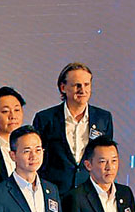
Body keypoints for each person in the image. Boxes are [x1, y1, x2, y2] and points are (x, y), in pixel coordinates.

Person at [33, 62, 114, 197]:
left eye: (86, 84)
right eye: (77, 85)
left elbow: (106, 157)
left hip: (90, 195)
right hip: (55, 194)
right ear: (63, 87)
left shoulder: (103, 118)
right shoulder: (45, 118)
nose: (83, 90)